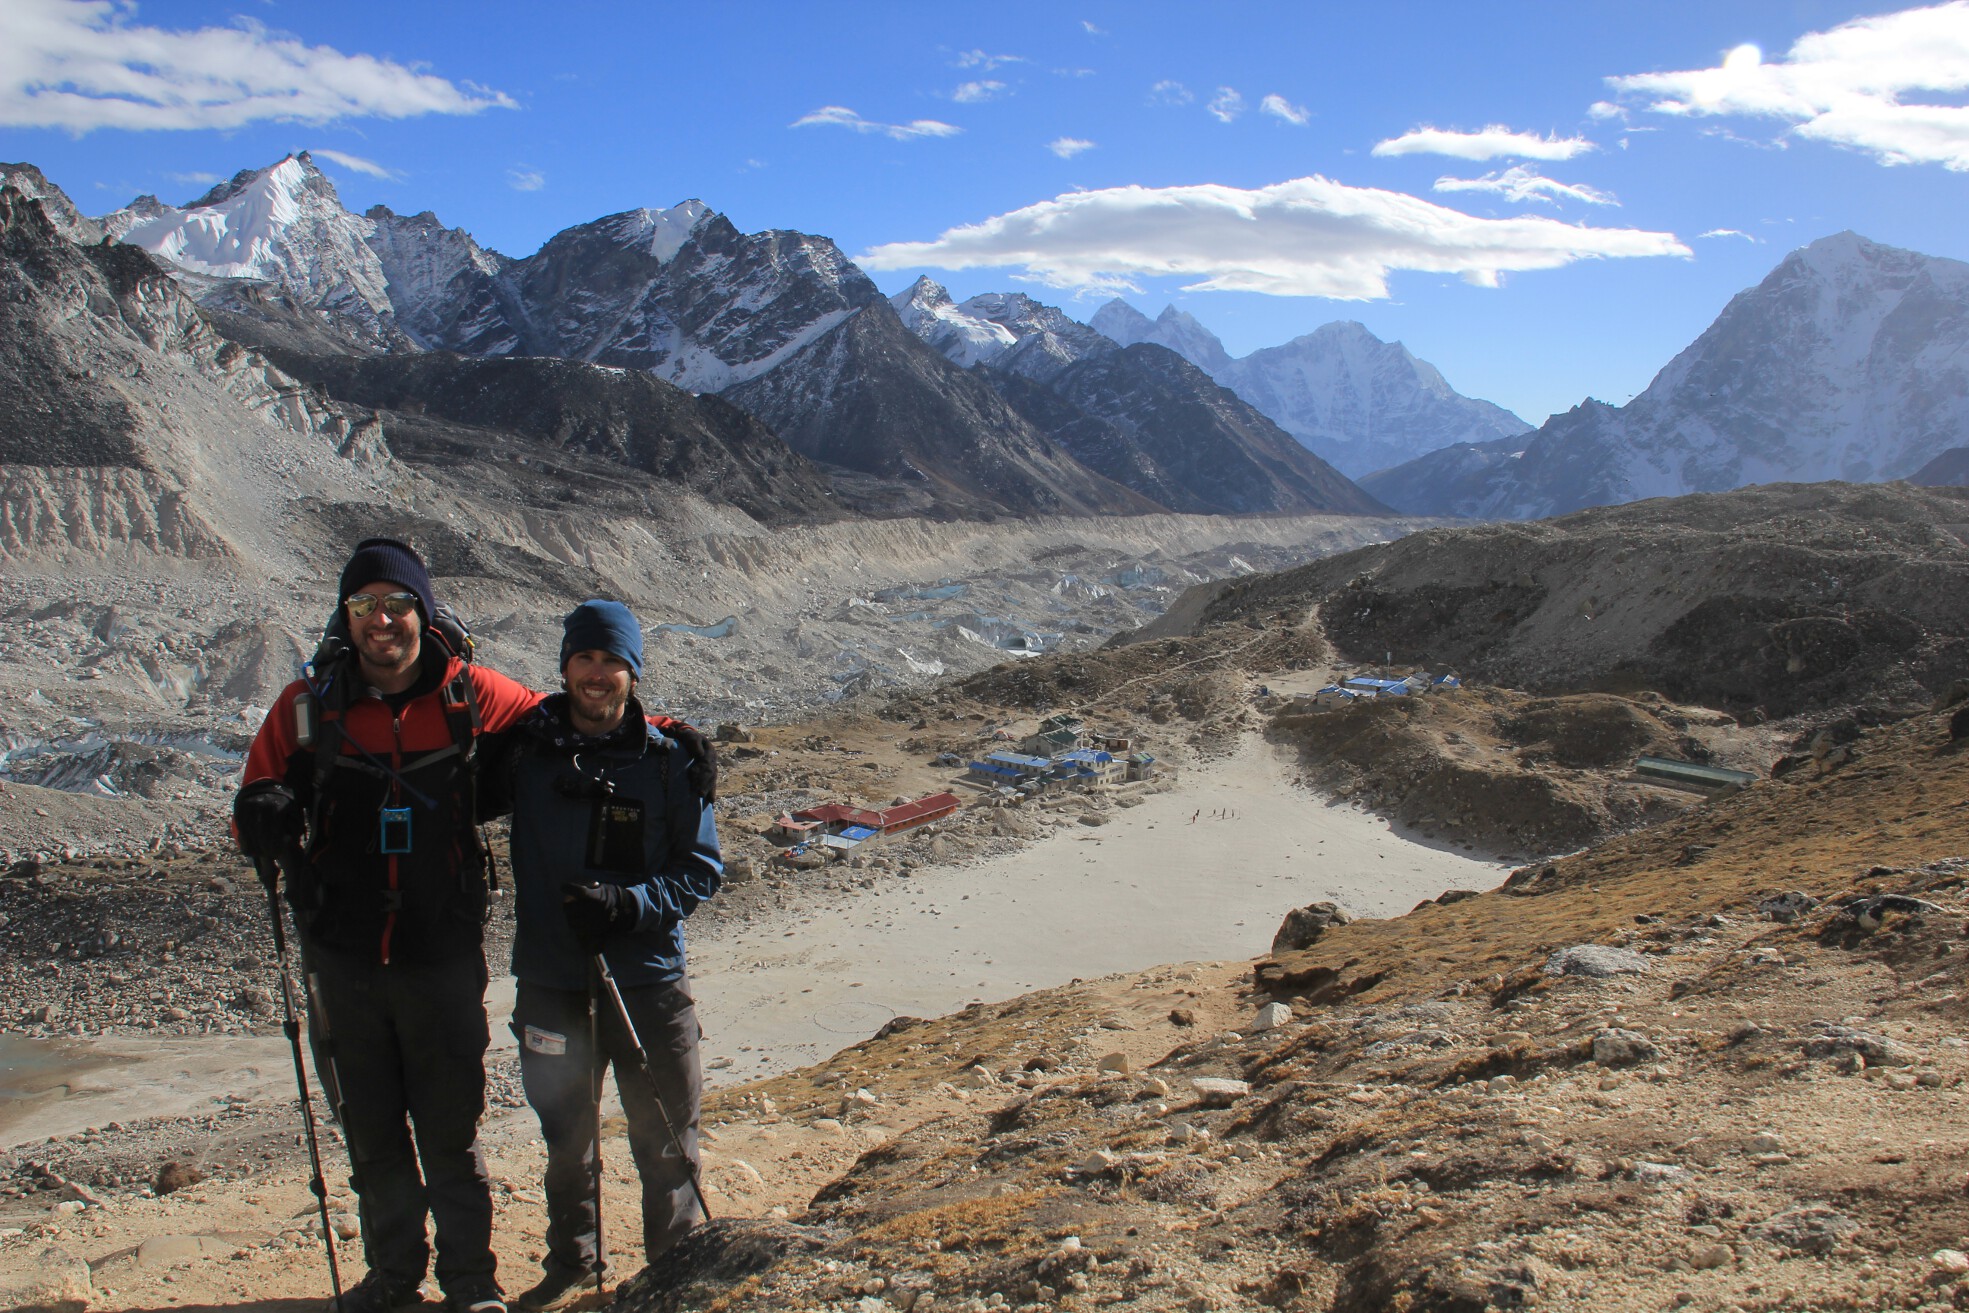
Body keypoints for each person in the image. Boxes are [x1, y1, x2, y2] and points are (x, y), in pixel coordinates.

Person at [479, 600, 721, 1310]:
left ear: (633, 672)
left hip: (647, 982)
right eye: (585, 657)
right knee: (566, 1141)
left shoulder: (672, 762)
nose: (597, 673)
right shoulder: (526, 750)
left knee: (666, 1141)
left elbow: (701, 867)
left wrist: (630, 905)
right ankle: (573, 1264)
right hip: (552, 981)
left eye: (612, 660)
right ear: (564, 666)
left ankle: (668, 1279)